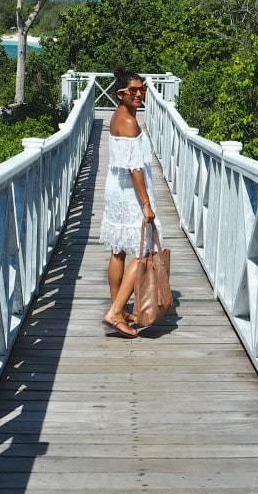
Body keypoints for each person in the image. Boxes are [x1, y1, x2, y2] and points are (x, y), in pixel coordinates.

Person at [100, 70, 160, 338]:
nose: (139, 94)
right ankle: (115, 313)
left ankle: (119, 308)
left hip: (116, 189)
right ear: (120, 94)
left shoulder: (116, 117)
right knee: (143, 252)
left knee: (118, 251)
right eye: (132, 91)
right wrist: (146, 204)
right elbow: (135, 169)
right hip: (130, 194)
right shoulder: (130, 122)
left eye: (142, 89)